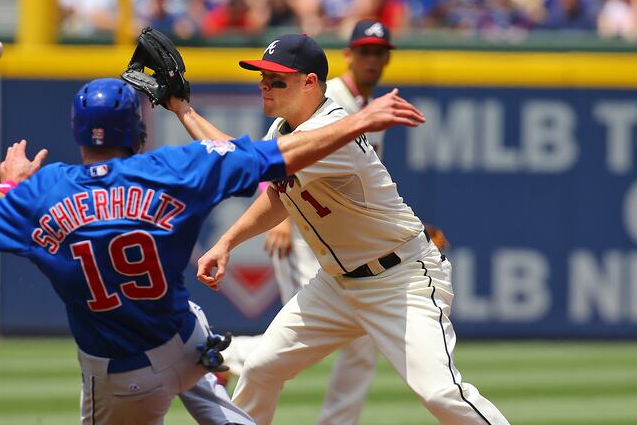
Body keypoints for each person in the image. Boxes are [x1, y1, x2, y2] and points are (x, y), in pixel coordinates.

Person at [0, 76, 425, 424]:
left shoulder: (41, 192)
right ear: (138, 130)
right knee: (200, 350)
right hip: (185, 344)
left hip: (124, 379)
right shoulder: (172, 168)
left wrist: (11, 182)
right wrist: (360, 120)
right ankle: (210, 374)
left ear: (79, 131)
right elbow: (277, 156)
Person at [196, 34, 510, 425]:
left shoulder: (333, 129)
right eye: (262, 77)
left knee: (440, 393)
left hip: (400, 280)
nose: (265, 85)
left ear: (310, 82)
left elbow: (242, 166)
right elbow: (278, 196)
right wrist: (227, 241)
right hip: (337, 284)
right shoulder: (282, 129)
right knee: (261, 367)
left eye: (277, 79)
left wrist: (181, 108)